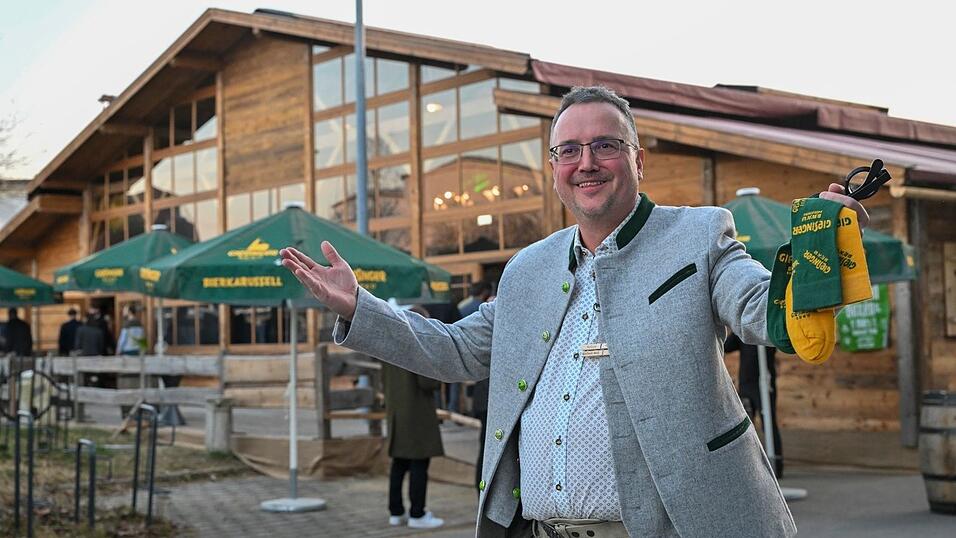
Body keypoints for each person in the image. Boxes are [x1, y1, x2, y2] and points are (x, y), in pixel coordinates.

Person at [280, 86, 869, 538]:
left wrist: (818, 248)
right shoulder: (527, 267)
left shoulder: (700, 235)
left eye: (605, 145)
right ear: (554, 168)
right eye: (570, 150)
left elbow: (759, 310)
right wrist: (362, 306)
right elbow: (457, 352)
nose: (587, 162)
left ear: (639, 162)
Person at [382, 305, 445, 530]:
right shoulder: (417, 346)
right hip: (417, 414)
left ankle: (396, 512)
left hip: (397, 413)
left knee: (399, 464)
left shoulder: (388, 346)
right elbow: (427, 383)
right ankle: (417, 513)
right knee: (419, 464)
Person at [725, 333, 783, 478]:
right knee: (744, 426)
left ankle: (777, 464)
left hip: (764, 385)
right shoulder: (743, 331)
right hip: (746, 384)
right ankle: (747, 465)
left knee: (768, 424)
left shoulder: (765, 332)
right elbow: (727, 346)